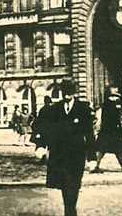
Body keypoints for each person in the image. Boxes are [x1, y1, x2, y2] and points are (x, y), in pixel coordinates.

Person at [42, 80, 95, 216]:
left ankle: (70, 211)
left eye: (69, 93)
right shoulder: (55, 108)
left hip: (77, 154)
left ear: (74, 93)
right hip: (60, 154)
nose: (66, 96)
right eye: (64, 93)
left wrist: (92, 157)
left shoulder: (83, 109)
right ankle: (69, 211)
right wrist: (42, 146)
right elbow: (47, 129)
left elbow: (89, 133)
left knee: (74, 185)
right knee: (65, 185)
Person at [93, 87, 122, 172]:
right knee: (118, 150)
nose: (117, 98)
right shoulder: (113, 105)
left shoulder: (106, 104)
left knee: (101, 149)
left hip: (106, 130)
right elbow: (114, 118)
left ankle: (94, 165)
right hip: (113, 131)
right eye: (115, 96)